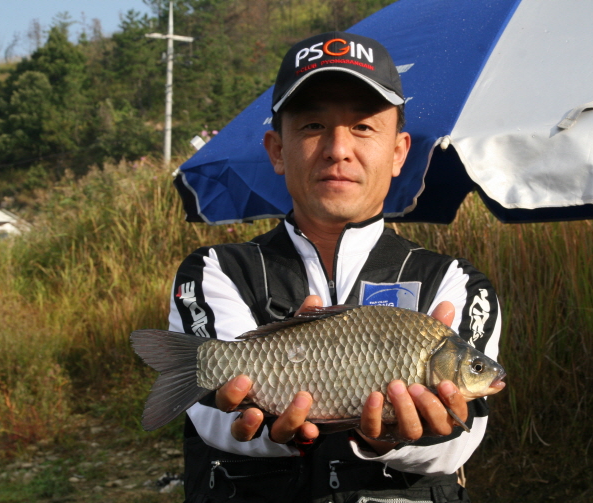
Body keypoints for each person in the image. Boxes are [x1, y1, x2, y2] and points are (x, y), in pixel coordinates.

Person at [168, 31, 503, 503]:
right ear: (277, 150)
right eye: (311, 127)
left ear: (399, 151)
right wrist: (279, 428)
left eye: (364, 127)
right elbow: (213, 418)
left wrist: (391, 437)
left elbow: (461, 442)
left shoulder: (453, 282)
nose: (337, 148)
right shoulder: (217, 269)